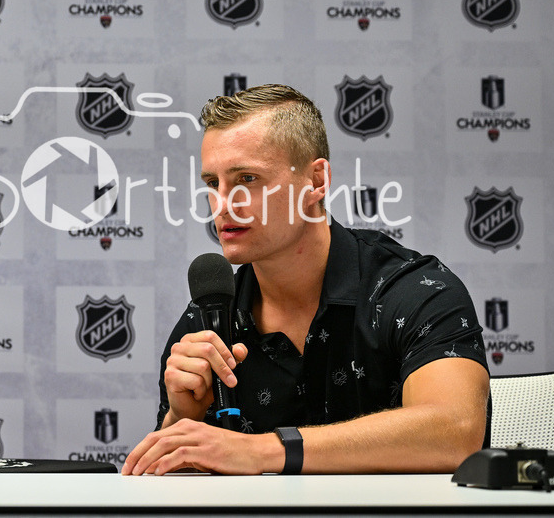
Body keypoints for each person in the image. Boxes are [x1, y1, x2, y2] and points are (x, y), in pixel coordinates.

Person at [121, 84, 489, 476]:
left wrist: (264, 451)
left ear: (315, 182)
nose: (223, 205)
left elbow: (454, 433)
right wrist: (181, 417)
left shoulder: (414, 291)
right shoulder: (207, 319)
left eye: (247, 178)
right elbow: (168, 484)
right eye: (213, 183)